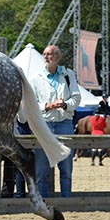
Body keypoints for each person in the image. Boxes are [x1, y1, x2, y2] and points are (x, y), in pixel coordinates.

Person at [28, 44, 81, 197]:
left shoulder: (68, 75)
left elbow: (76, 98)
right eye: (44, 54)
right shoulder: (35, 79)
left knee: (66, 170)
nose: (45, 57)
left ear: (58, 57)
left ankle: (67, 201)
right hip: (44, 125)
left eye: (49, 54)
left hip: (65, 124)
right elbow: (32, 104)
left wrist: (65, 105)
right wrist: (48, 106)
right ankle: (44, 203)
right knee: (41, 171)